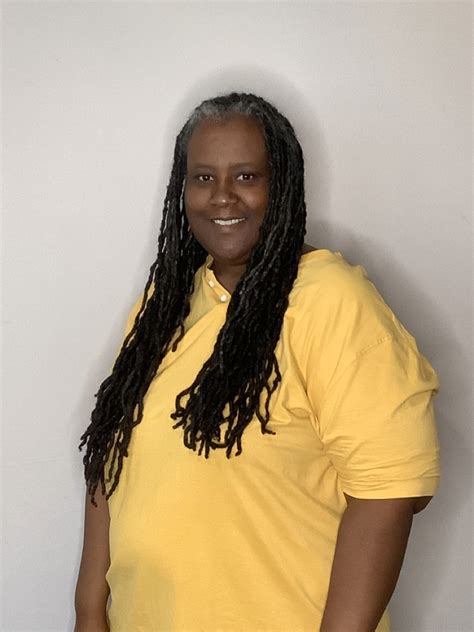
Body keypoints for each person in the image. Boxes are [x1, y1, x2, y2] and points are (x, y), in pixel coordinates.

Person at [74, 92, 440, 632]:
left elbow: (390, 492)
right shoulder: (164, 304)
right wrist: (88, 610)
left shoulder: (331, 300)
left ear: (282, 186)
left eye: (246, 176)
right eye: (203, 178)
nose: (222, 197)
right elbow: (112, 452)